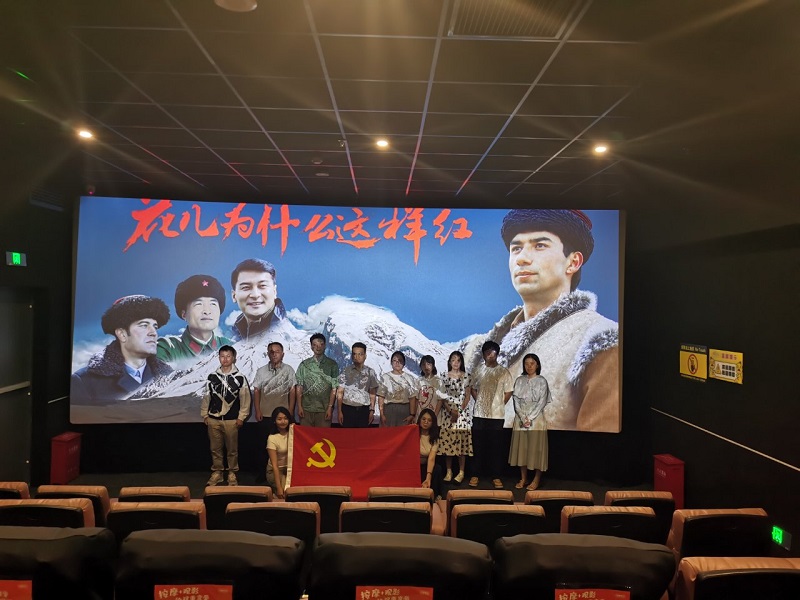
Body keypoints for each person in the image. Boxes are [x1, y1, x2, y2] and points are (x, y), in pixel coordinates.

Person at [466, 209, 619, 433]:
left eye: (539, 245)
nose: (522, 258)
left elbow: (597, 446)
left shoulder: (600, 340)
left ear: (573, 262)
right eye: (516, 248)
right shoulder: (486, 346)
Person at [71, 295, 173, 404]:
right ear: (122, 334)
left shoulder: (171, 377)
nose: (154, 333)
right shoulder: (84, 382)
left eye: (155, 327)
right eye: (144, 325)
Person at [200, 345, 252, 487]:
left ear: (233, 358)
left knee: (232, 449)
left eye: (228, 356)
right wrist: (205, 414)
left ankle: (232, 473)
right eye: (222, 356)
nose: (225, 359)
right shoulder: (212, 377)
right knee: (215, 448)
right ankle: (217, 472)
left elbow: (245, 399)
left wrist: (241, 417)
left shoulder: (240, 378)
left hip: (232, 420)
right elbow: (206, 397)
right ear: (219, 358)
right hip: (213, 420)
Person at [157, 274, 232, 364]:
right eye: (198, 304)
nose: (207, 311)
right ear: (184, 314)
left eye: (213, 304)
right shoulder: (167, 349)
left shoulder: (232, 346)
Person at [470, 340, 514, 489]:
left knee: (495, 448)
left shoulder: (503, 372)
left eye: (492, 351)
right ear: (483, 355)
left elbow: (509, 391)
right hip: (479, 414)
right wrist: (479, 401)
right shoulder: (478, 370)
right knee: (478, 446)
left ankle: (496, 476)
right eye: (487, 352)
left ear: (497, 354)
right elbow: (472, 388)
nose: (490, 354)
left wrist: (499, 404)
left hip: (497, 416)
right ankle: (475, 475)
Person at [251, 341, 296, 482]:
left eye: (277, 351)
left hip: (283, 416)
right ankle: (262, 474)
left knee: (285, 446)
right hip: (265, 414)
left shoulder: (288, 370)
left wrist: (290, 410)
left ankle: (286, 473)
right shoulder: (261, 371)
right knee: (263, 446)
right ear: (268, 354)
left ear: (283, 354)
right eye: (271, 351)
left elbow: (292, 391)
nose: (274, 354)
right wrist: (257, 409)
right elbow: (257, 391)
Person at [509, 353, 550, 491]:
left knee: (536, 448)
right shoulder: (519, 380)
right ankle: (523, 478)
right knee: (523, 448)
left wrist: (530, 418)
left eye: (532, 363)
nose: (529, 366)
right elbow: (515, 400)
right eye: (526, 364)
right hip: (521, 418)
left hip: (536, 419)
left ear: (537, 365)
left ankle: (536, 479)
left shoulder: (542, 381)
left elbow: (542, 402)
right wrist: (522, 417)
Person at [229, 258, 287, 341]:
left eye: (262, 286)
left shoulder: (292, 338)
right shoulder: (233, 340)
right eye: (246, 287)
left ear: (274, 291)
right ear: (234, 296)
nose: (255, 295)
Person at [437, 351, 473, 485]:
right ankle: (449, 471)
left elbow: (467, 396)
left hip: (462, 414)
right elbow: (442, 396)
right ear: (449, 362)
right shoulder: (444, 376)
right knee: (448, 443)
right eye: (453, 360)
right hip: (448, 413)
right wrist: (450, 410)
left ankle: (461, 472)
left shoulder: (467, 376)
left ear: (461, 362)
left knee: (461, 444)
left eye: (458, 360)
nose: (456, 363)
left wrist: (458, 411)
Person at [295, 333, 339, 427]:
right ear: (311, 346)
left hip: (324, 410)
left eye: (321, 344)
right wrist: (299, 407)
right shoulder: (304, 365)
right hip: (306, 409)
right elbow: (299, 386)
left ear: (325, 346)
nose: (318, 347)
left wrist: (330, 408)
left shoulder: (332, 365)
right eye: (315, 345)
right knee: (305, 435)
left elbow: (334, 388)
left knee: (323, 435)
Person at [336, 342, 380, 428]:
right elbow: (340, 392)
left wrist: (371, 410)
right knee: (347, 435)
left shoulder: (370, 372)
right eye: (354, 354)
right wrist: (339, 411)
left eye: (360, 354)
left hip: (363, 410)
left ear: (365, 356)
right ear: (352, 356)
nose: (357, 357)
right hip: (347, 409)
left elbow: (372, 393)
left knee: (362, 435)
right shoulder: (346, 371)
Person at [378, 351, 419, 427]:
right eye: (394, 360)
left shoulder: (410, 378)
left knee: (403, 433)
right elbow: (381, 397)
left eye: (400, 360)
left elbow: (412, 398)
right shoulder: (385, 377)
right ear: (391, 362)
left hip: (404, 410)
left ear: (404, 363)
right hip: (389, 410)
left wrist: (412, 414)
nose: (397, 363)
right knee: (388, 433)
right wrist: (381, 414)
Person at [266, 406, 293, 499]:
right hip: (276, 471)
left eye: (285, 418)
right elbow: (275, 466)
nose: (283, 421)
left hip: (290, 469)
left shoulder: (293, 433)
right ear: (274, 421)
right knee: (286, 491)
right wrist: (279, 488)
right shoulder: (272, 438)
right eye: (279, 419)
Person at [418, 408, 443, 500]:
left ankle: (435, 496)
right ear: (419, 420)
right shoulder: (412, 432)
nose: (426, 422)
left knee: (437, 469)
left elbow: (431, 458)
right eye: (423, 419)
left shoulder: (434, 438)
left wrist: (428, 477)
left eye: (429, 420)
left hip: (426, 466)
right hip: (413, 466)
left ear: (433, 423)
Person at [416, 355, 443, 423]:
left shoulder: (438, 381)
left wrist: (434, 417)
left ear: (433, 366)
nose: (426, 367)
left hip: (434, 418)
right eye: (423, 364)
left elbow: (440, 400)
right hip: (420, 417)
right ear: (421, 367)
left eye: (428, 364)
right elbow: (416, 399)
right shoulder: (418, 381)